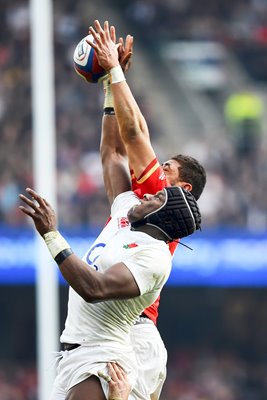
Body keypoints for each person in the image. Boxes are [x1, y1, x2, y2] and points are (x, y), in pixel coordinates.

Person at [19, 151, 201, 400]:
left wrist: (51, 234)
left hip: (102, 357)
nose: (146, 195)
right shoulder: (127, 213)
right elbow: (113, 155)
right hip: (75, 353)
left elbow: (94, 289)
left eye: (156, 198)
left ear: (163, 215)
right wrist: (111, 109)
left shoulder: (155, 258)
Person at [89, 20, 206, 399]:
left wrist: (116, 70)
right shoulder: (134, 204)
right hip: (113, 328)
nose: (158, 167)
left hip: (133, 332)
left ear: (182, 187)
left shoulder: (162, 195)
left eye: (167, 167)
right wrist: (109, 85)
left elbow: (136, 134)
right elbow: (112, 152)